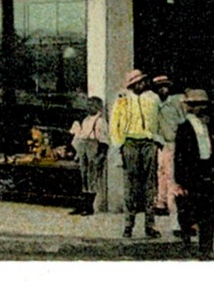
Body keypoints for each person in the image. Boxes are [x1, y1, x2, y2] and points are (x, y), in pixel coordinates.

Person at [109, 68, 162, 238]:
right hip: (130, 142)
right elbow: (114, 123)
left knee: (150, 185)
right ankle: (128, 224)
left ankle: (149, 224)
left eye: (143, 81)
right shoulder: (122, 99)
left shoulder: (153, 98)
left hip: (148, 142)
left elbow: (159, 119)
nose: (143, 84)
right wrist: (120, 144)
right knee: (131, 185)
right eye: (139, 82)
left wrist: (158, 140)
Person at [171, 88, 214, 258]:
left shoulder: (208, 125)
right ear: (190, 107)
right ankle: (187, 243)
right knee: (188, 210)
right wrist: (180, 181)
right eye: (196, 105)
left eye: (203, 105)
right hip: (191, 172)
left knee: (209, 211)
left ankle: (207, 247)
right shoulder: (184, 127)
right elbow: (179, 156)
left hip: (207, 168)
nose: (201, 108)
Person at [152, 75, 187, 227]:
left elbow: (182, 121)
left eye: (165, 86)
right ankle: (161, 202)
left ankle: (173, 207)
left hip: (173, 143)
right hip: (161, 143)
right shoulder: (154, 105)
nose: (163, 89)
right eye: (160, 87)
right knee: (161, 173)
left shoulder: (175, 103)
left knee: (172, 176)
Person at [68, 95, 109, 216]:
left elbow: (104, 141)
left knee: (92, 179)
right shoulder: (85, 120)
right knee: (83, 178)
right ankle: (82, 205)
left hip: (93, 149)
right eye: (88, 105)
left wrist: (100, 156)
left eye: (91, 105)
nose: (88, 107)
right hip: (84, 148)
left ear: (98, 107)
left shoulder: (100, 121)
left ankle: (89, 207)